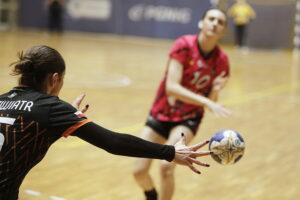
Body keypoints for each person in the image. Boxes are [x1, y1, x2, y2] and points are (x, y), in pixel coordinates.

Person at [0, 46, 213, 200]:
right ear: (55, 79)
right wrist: (170, 152)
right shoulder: (50, 107)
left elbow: (21, 136)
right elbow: (112, 142)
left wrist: (64, 122)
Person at [133, 8, 232, 200]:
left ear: (223, 31)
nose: (214, 24)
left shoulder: (222, 60)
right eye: (211, 19)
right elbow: (172, 87)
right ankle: (151, 195)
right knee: (139, 171)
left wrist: (216, 91)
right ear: (201, 23)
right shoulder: (184, 45)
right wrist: (206, 100)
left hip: (188, 118)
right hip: (161, 113)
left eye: (220, 22)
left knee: (166, 166)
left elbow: (211, 102)